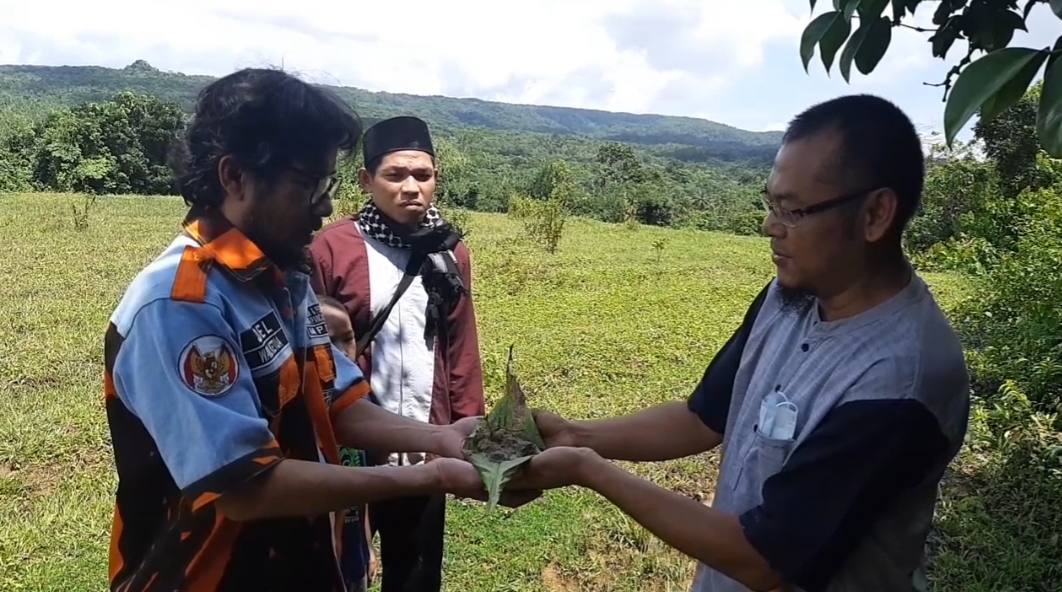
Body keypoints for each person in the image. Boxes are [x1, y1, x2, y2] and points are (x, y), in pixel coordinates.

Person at [511, 94, 971, 592]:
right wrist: (577, 435)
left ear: (876, 214)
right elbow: (702, 418)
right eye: (771, 203)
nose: (771, 226)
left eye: (793, 210)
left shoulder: (901, 381)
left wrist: (588, 470)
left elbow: (766, 559)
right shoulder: (790, 294)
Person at [101, 68, 516, 592]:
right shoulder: (180, 305)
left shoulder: (281, 276)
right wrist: (426, 476)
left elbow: (335, 398)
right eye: (308, 184)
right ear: (234, 178)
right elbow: (247, 486)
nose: (324, 205)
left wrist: (438, 438)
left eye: (328, 184)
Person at [309, 115, 484, 592]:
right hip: (354, 449)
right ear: (366, 180)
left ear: (436, 178)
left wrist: (470, 429)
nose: (411, 188)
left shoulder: (449, 251)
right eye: (395, 175)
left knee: (418, 574)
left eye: (422, 176)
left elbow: (460, 344)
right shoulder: (332, 249)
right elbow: (316, 354)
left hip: (427, 444)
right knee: (343, 571)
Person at [319, 294, 378, 592]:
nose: (342, 352)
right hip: (316, 562)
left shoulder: (361, 401)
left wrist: (366, 543)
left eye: (348, 339)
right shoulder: (298, 414)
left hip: (352, 556)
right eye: (329, 342)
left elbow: (361, 485)